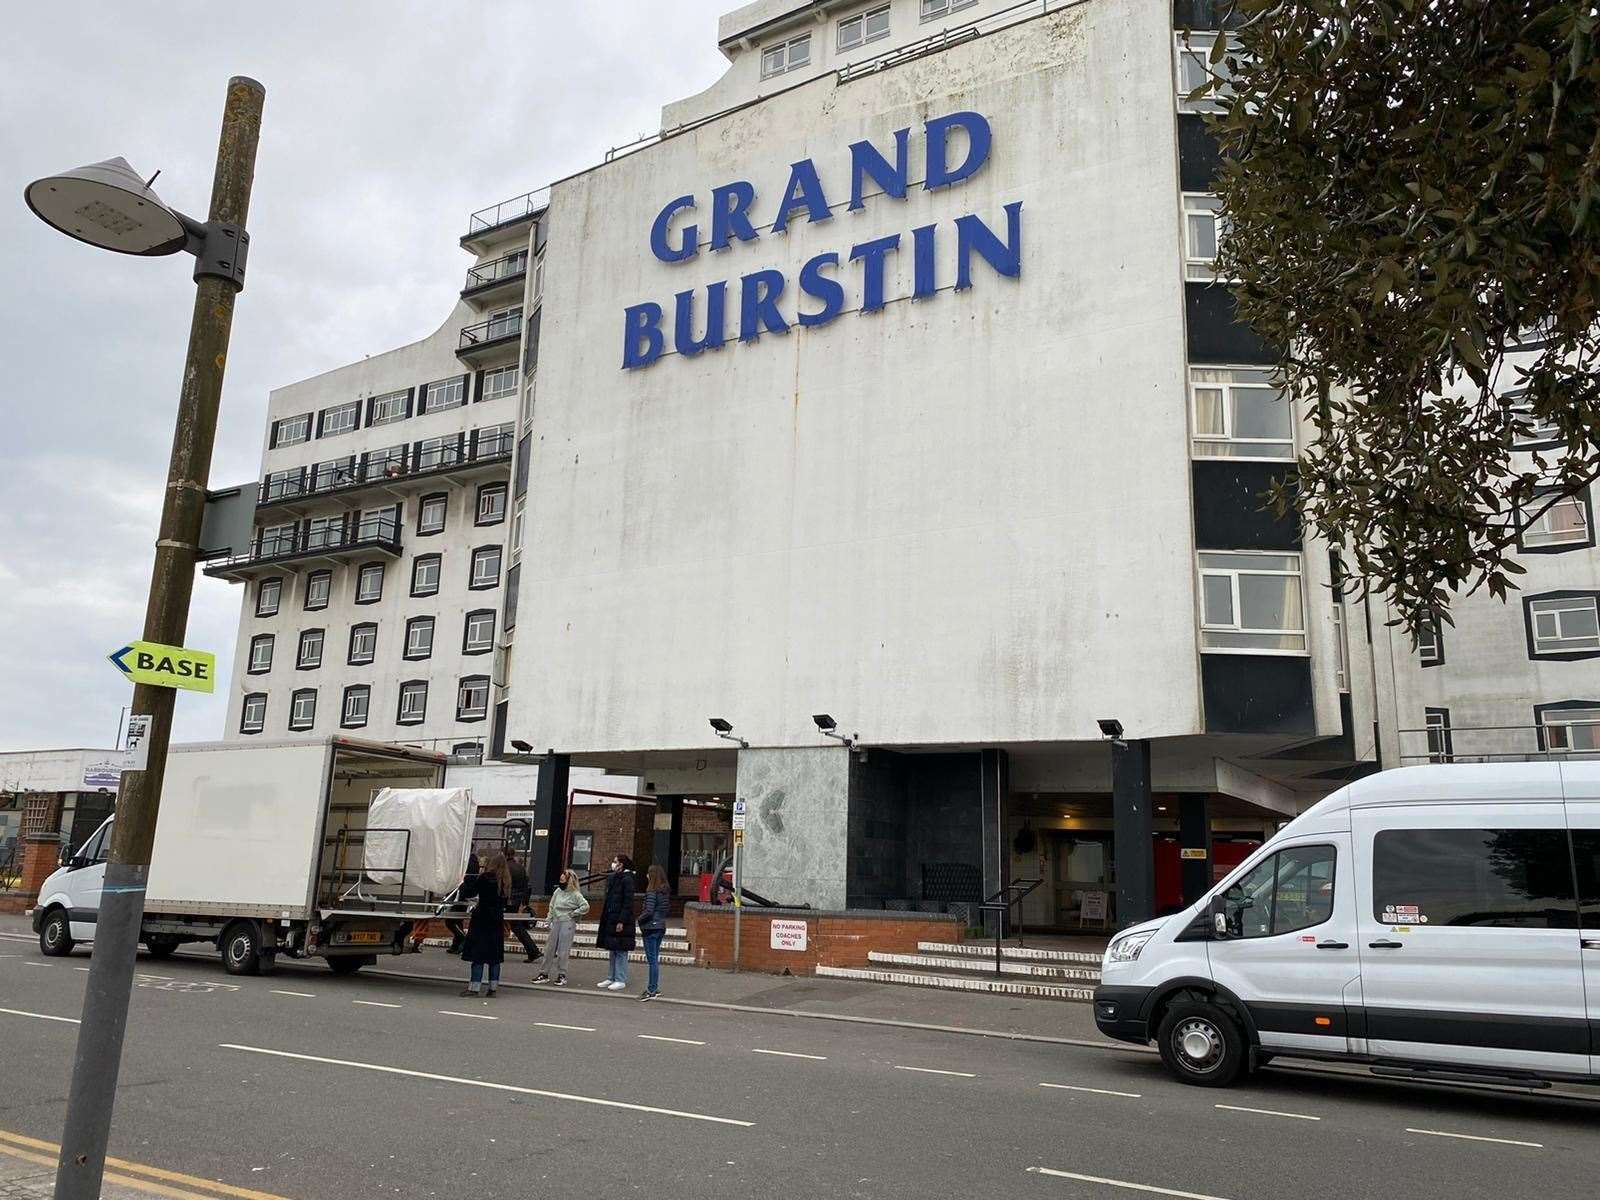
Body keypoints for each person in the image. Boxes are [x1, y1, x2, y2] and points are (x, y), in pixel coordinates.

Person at [458, 849, 509, 998]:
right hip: (497, 919)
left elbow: (470, 892)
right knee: (494, 957)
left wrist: (462, 883)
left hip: (482, 919)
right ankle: (493, 988)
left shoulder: (485, 877)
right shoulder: (505, 881)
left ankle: (474, 988)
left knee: (478, 956)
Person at [534, 868, 589, 986]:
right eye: (560, 880)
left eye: (563, 880)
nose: (561, 882)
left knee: (563, 950)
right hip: (556, 921)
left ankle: (561, 974)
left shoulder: (575, 894)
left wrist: (573, 913)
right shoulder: (558, 891)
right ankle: (543, 973)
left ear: (569, 881)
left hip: (568, 922)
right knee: (550, 948)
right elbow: (552, 906)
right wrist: (549, 919)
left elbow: (585, 906)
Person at [596, 854, 636, 990]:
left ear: (622, 864)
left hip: (620, 920)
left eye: (615, 862)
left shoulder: (627, 879)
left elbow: (627, 902)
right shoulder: (616, 878)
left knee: (620, 950)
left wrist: (621, 921)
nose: (613, 864)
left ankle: (620, 978)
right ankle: (611, 977)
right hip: (611, 918)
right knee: (613, 949)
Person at [637, 863, 671, 1001]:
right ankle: (654, 988)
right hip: (660, 926)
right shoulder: (665, 891)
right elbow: (665, 909)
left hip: (650, 927)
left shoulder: (651, 892)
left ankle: (651, 989)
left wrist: (639, 920)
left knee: (652, 961)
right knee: (655, 959)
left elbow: (649, 911)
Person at [503, 848, 542, 964]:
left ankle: (533, 951)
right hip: (516, 901)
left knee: (498, 923)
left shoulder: (505, 868)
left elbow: (503, 885)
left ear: (503, 854)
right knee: (516, 925)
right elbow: (527, 886)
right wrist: (525, 902)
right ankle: (533, 951)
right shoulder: (520, 867)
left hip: (507, 900)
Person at [445, 850, 479, 954]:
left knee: (450, 920)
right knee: (457, 919)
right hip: (464, 892)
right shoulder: (472, 860)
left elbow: (464, 878)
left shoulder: (467, 861)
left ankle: (463, 940)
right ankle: (456, 945)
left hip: (461, 893)